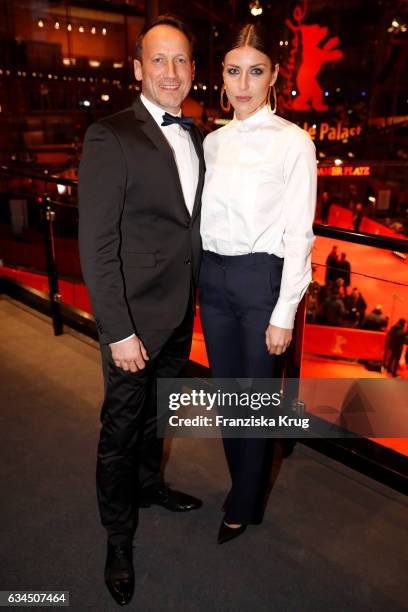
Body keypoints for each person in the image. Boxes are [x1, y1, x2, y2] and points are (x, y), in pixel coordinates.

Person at [78, 16, 205, 606]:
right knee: (121, 431)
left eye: (181, 61)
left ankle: (151, 487)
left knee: (160, 416)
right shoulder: (110, 135)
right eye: (159, 60)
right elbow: (96, 246)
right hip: (132, 322)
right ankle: (118, 536)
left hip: (179, 312)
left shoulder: (199, 135)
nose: (171, 73)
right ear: (137, 69)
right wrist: (119, 331)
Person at [199, 24, 317, 544]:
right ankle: (241, 485)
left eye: (255, 71)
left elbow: (300, 233)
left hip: (260, 279)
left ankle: (244, 503)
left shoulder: (294, 142)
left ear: (272, 78)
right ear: (221, 77)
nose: (242, 84)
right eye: (232, 71)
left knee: (257, 401)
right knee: (228, 398)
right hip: (213, 277)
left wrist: (284, 312)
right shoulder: (212, 142)